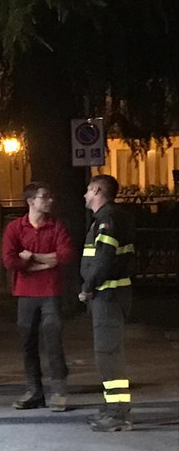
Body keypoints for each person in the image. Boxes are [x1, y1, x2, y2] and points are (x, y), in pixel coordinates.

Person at [1, 182, 75, 412]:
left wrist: (31, 257)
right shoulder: (15, 228)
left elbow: (65, 255)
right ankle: (35, 391)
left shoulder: (57, 226)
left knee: (53, 341)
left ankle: (59, 391)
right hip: (25, 293)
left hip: (51, 292)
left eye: (50, 196)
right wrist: (48, 261)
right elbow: (10, 260)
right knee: (28, 343)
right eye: (45, 197)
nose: (50, 200)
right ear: (31, 201)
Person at [80, 174, 136, 432]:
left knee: (109, 354)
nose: (84, 195)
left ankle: (117, 413)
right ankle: (112, 406)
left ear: (96, 190)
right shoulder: (109, 217)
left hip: (108, 295)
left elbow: (103, 259)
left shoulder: (107, 219)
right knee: (107, 353)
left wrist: (88, 287)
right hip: (110, 294)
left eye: (88, 190)